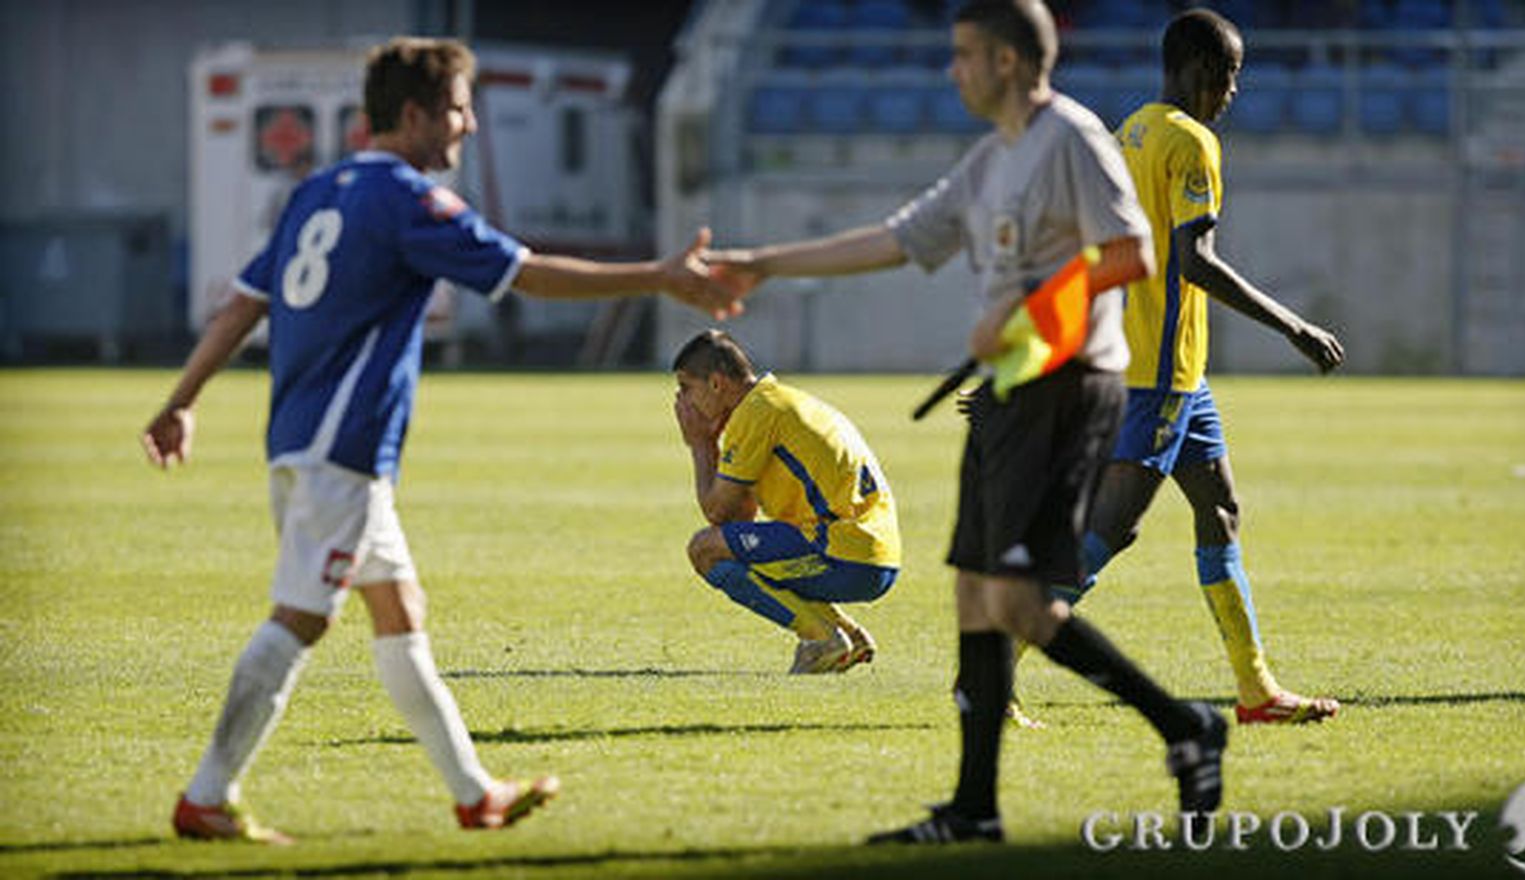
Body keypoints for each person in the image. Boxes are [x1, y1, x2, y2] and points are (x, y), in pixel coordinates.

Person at [142, 37, 742, 843]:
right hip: (341, 451)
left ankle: (474, 794)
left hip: (302, 438)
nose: (468, 125)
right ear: (416, 114)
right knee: (302, 617)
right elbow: (525, 273)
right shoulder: (409, 201)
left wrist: (181, 401)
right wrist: (658, 276)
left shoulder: (317, 191)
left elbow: (244, 304)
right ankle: (207, 796)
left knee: (400, 609)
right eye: (458, 109)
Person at [707, 1, 1227, 843]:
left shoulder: (1071, 139)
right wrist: (761, 264)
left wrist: (1026, 315)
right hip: (1006, 395)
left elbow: (1131, 253)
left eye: (964, 55)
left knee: (1018, 601)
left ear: (1009, 62)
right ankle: (974, 810)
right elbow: (895, 239)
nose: (952, 70)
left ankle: (1185, 725)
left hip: (1066, 390)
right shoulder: (993, 158)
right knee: (976, 595)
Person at [1063, 8, 1345, 725]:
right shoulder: (1191, 141)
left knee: (1220, 510)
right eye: (1230, 75)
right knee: (1111, 530)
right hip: (1158, 373)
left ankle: (1256, 691)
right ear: (1199, 69)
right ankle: (993, 664)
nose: (1233, 91)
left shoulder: (1131, 131)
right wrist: (1293, 326)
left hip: (1173, 371)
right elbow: (1196, 262)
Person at [672, 330, 899, 674]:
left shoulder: (755, 414)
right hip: (875, 554)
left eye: (686, 387)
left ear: (716, 384)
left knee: (704, 550)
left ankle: (821, 639)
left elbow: (716, 511)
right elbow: (737, 520)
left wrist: (701, 446)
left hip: (844, 555)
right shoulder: (776, 402)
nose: (681, 400)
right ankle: (849, 637)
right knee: (728, 547)